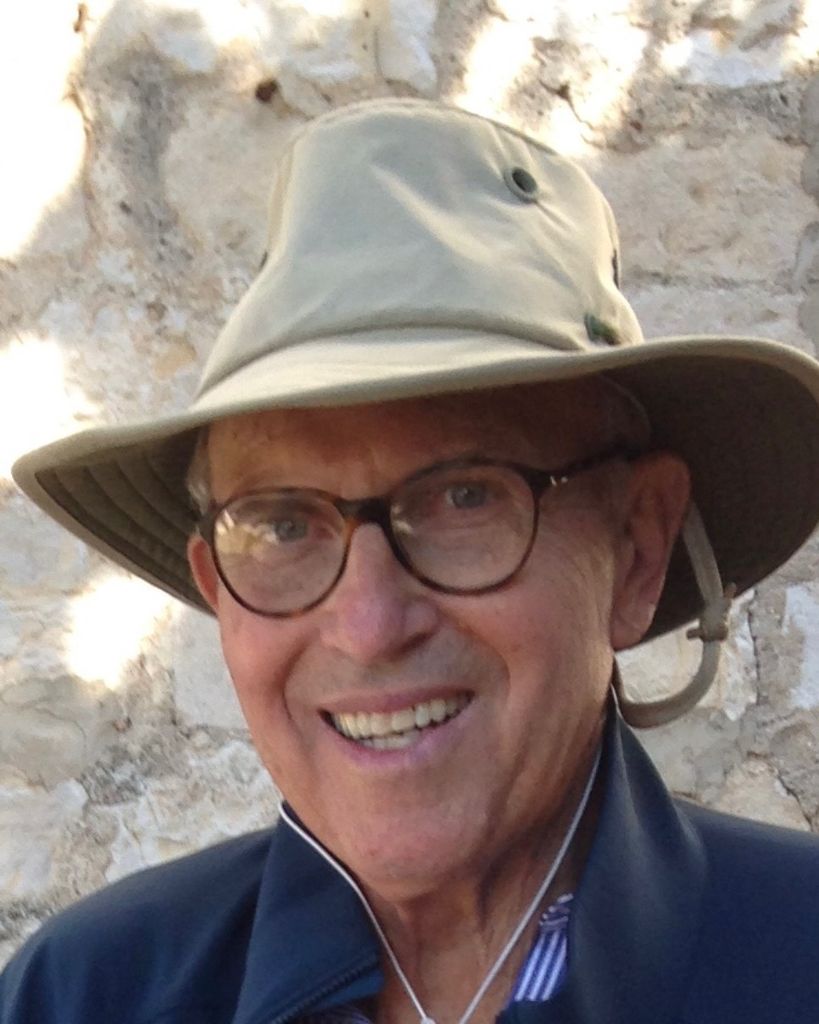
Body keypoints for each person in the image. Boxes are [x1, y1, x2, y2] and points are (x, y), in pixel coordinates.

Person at [2, 99, 819, 1024]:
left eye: (464, 498)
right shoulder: (85, 994)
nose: (368, 625)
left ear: (636, 550)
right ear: (215, 591)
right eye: (283, 525)